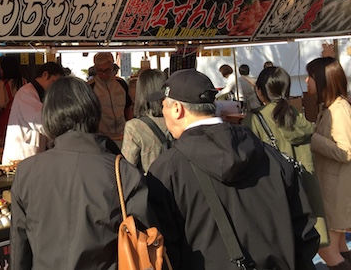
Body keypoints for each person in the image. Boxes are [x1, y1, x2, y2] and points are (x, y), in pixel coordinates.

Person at [146, 68, 319, 270]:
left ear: (177, 109)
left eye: (163, 105)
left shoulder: (166, 170)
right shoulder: (269, 155)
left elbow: (163, 250)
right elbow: (305, 231)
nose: (163, 112)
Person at [10, 76, 156, 270]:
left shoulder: (26, 171)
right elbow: (146, 239)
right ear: (94, 112)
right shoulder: (123, 173)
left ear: (49, 116)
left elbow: (19, 250)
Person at [243, 66, 329, 248]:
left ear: (259, 91)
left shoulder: (255, 120)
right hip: (307, 191)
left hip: (278, 197)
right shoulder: (296, 115)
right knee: (318, 252)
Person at [307, 57, 351, 269]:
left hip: (337, 190)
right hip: (333, 187)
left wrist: (312, 138)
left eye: (311, 77)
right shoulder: (330, 106)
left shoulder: (339, 109)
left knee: (326, 249)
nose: (306, 81)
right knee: (340, 247)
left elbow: (346, 151)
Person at [2, 62, 65, 165]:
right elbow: (40, 122)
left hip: (33, 155)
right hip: (22, 154)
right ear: (45, 75)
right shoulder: (26, 93)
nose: (54, 88)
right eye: (54, 82)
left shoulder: (40, 94)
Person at [122, 69, 172, 173]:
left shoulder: (134, 126)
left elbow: (127, 168)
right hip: (179, 184)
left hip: (151, 185)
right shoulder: (178, 119)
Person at [89, 52, 133, 146]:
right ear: (95, 68)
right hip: (101, 139)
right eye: (100, 71)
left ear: (113, 67)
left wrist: (131, 130)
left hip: (123, 135)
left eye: (107, 70)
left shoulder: (121, 84)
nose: (104, 74)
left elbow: (128, 108)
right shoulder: (90, 87)